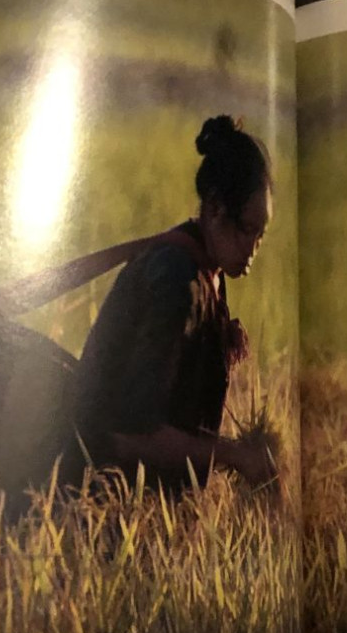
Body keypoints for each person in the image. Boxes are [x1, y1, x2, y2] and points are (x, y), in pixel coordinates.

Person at [67, 115, 277, 495]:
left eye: (261, 236)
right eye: (247, 230)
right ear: (214, 209)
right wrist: (234, 456)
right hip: (92, 490)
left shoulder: (210, 272)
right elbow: (129, 434)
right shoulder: (174, 280)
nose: (253, 248)